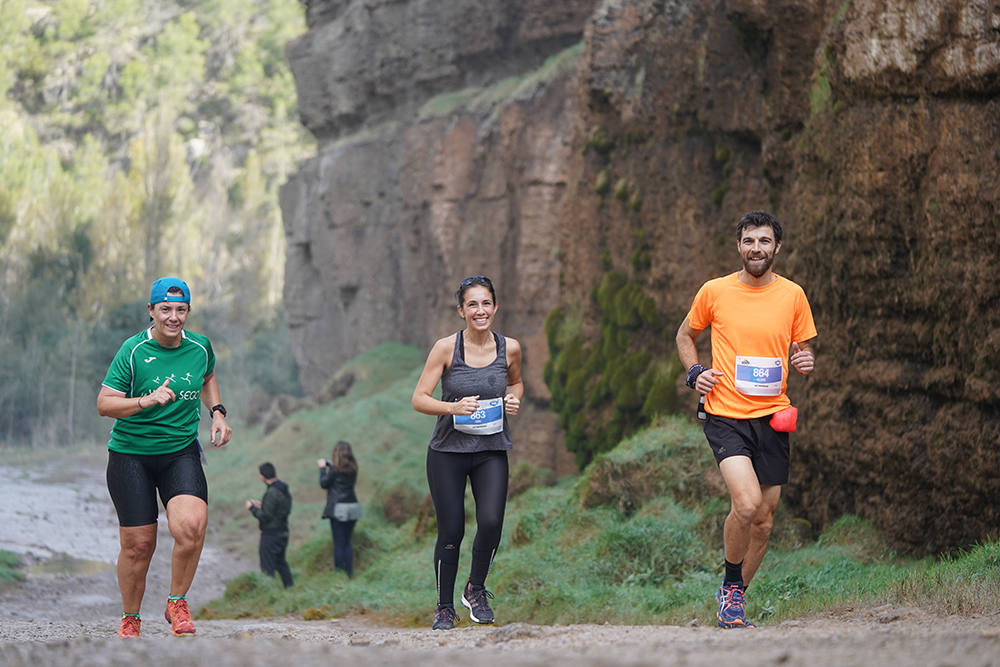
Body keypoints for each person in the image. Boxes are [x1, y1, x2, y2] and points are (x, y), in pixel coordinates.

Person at [675, 211, 817, 629]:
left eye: (764, 241)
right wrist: (695, 372)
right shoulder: (714, 291)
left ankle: (733, 598)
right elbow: (686, 335)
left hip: (773, 417)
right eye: (749, 241)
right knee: (748, 503)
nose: (757, 248)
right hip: (725, 414)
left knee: (765, 519)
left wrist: (805, 359)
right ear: (738, 246)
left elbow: (803, 348)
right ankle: (732, 582)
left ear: (778, 248)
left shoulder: (793, 295)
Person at [97, 276, 233, 638]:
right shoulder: (133, 350)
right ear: (152, 311)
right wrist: (145, 400)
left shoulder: (200, 346)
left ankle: (177, 601)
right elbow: (104, 404)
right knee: (139, 545)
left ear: (188, 311)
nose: (174, 317)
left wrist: (217, 412)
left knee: (191, 527)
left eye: (181, 310)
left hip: (180, 452)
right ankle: (131, 617)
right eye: (166, 309)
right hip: (131, 455)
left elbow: (208, 376)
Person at [411, 275, 523, 630]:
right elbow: (419, 399)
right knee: (451, 530)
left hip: (491, 449)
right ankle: (444, 606)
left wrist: (514, 398)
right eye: (472, 304)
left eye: (486, 303)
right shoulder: (446, 348)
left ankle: (475, 589)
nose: (480, 310)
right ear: (461, 311)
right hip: (447, 452)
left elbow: (516, 381)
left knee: (491, 523)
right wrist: (453, 408)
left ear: (496, 307)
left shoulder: (511, 348)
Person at [246, 462, 294, 588]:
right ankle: (290, 587)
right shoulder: (283, 489)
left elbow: (265, 516)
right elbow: (280, 509)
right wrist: (263, 505)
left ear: (263, 476)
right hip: (283, 531)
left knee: (267, 567)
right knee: (280, 562)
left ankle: (268, 592)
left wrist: (252, 508)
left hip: (271, 535)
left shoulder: (272, 492)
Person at [318, 441, 361, 577]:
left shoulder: (334, 471)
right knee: (347, 543)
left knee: (339, 544)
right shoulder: (353, 468)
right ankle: (349, 574)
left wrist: (321, 468)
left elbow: (324, 483)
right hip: (353, 507)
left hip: (339, 509)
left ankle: (338, 574)